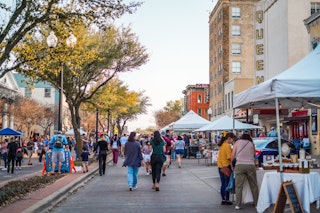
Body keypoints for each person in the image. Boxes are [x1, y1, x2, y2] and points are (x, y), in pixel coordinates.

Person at [231, 132, 259, 210]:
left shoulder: (237, 142)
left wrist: (231, 164)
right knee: (254, 185)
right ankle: (256, 203)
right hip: (250, 165)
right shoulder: (251, 143)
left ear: (242, 137)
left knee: (239, 186)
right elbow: (254, 155)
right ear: (249, 137)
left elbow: (233, 155)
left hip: (239, 165)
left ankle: (238, 204)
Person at [217, 132, 236, 206]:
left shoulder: (221, 145)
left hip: (220, 166)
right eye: (232, 139)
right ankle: (227, 199)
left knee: (222, 183)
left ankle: (223, 199)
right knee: (227, 183)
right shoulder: (227, 146)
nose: (232, 141)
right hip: (226, 166)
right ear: (229, 138)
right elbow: (229, 157)